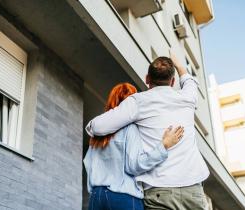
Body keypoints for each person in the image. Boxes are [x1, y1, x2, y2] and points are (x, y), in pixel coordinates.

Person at [86, 55, 210, 210]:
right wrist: (179, 65)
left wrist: (93, 127)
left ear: (147, 78)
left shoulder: (138, 102)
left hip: (159, 191)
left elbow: (97, 127)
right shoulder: (187, 98)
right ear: (172, 82)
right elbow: (189, 81)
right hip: (193, 189)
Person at [84, 83, 184, 210]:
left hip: (96, 197)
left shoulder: (97, 134)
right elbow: (135, 165)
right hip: (123, 196)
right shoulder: (130, 128)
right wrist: (163, 146)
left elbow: (87, 163)